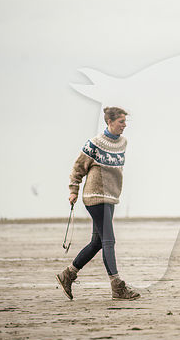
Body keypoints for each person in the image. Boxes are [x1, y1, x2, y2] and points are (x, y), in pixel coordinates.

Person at [56, 107, 140, 300]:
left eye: (125, 122)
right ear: (109, 122)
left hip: (110, 197)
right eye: (121, 121)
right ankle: (117, 286)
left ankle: (67, 275)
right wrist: (73, 190)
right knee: (109, 241)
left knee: (97, 242)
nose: (124, 125)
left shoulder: (123, 143)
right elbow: (78, 168)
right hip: (95, 197)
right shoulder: (94, 143)